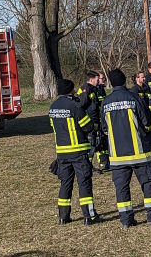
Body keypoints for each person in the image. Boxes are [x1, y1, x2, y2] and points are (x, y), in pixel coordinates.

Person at [101, 69, 151, 228]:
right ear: (125, 80)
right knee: (149, 184)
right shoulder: (134, 98)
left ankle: (126, 220)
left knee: (122, 189)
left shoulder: (105, 102)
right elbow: (147, 122)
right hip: (139, 153)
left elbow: (104, 128)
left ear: (110, 82)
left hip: (117, 156)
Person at [48, 79, 101, 225]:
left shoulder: (53, 107)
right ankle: (88, 216)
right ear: (71, 90)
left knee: (65, 183)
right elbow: (87, 126)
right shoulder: (74, 106)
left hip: (62, 153)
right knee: (84, 183)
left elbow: (54, 127)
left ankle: (63, 217)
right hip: (78, 152)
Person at [76, 71, 105, 171]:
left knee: (95, 143)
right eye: (97, 80)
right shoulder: (86, 89)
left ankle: (89, 165)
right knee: (90, 144)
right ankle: (87, 166)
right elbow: (80, 106)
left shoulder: (94, 89)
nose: (98, 81)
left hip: (95, 121)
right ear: (91, 79)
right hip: (89, 122)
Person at [130, 71, 151, 157]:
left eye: (144, 77)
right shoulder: (134, 90)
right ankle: (145, 156)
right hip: (140, 118)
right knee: (143, 138)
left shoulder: (146, 88)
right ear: (137, 78)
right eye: (142, 77)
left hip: (149, 116)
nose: (144, 78)